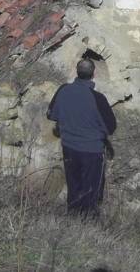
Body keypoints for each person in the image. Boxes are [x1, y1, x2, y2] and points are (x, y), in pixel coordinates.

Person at [46, 58, 117, 216]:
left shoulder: (63, 90)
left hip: (69, 147)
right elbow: (111, 127)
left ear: (76, 72)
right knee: (90, 192)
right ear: (94, 74)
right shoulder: (98, 98)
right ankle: (87, 223)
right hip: (92, 151)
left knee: (74, 187)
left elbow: (50, 114)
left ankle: (72, 219)